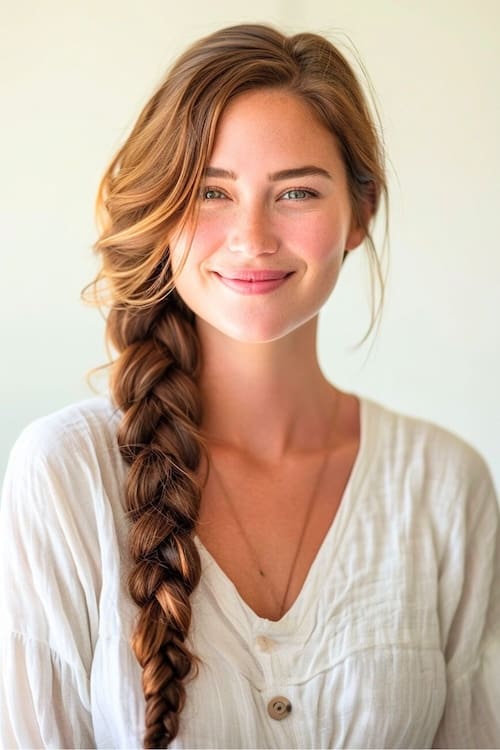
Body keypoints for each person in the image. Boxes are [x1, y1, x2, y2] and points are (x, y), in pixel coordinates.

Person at [0, 22, 499, 750]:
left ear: (359, 214)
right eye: (210, 192)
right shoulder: (63, 476)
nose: (253, 238)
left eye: (296, 192)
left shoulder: (445, 488)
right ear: (162, 211)